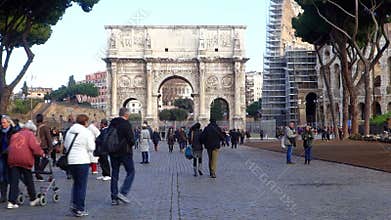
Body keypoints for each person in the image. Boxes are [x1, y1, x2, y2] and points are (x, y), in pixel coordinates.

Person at [7, 120, 44, 209]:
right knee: (29, 179)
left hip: (13, 159)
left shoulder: (15, 134)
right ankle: (33, 199)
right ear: (32, 130)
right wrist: (42, 153)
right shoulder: (30, 135)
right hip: (24, 159)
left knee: (14, 181)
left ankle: (11, 202)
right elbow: (35, 147)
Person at [64, 114, 95, 217]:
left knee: (76, 184)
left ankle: (74, 205)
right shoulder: (86, 132)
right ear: (85, 122)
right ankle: (79, 209)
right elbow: (91, 147)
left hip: (71, 161)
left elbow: (65, 145)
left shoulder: (69, 131)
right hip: (82, 160)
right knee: (81, 185)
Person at [109, 107, 135, 206]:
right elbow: (131, 140)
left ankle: (114, 197)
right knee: (131, 172)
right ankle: (123, 192)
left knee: (115, 173)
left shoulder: (112, 123)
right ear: (126, 115)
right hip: (125, 152)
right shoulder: (126, 124)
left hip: (113, 152)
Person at [0, 115, 16, 203]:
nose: (3, 124)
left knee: (11, 175)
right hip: (2, 156)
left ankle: (13, 195)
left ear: (9, 123)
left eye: (4, 123)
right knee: (1, 175)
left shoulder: (13, 131)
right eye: (2, 123)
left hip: (11, 156)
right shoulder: (1, 132)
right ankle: (3, 195)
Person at [35, 114, 52, 181]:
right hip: (43, 146)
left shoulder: (35, 127)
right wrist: (50, 147)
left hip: (35, 146)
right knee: (46, 158)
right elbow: (48, 138)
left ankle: (37, 173)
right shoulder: (45, 127)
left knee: (36, 161)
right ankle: (39, 171)